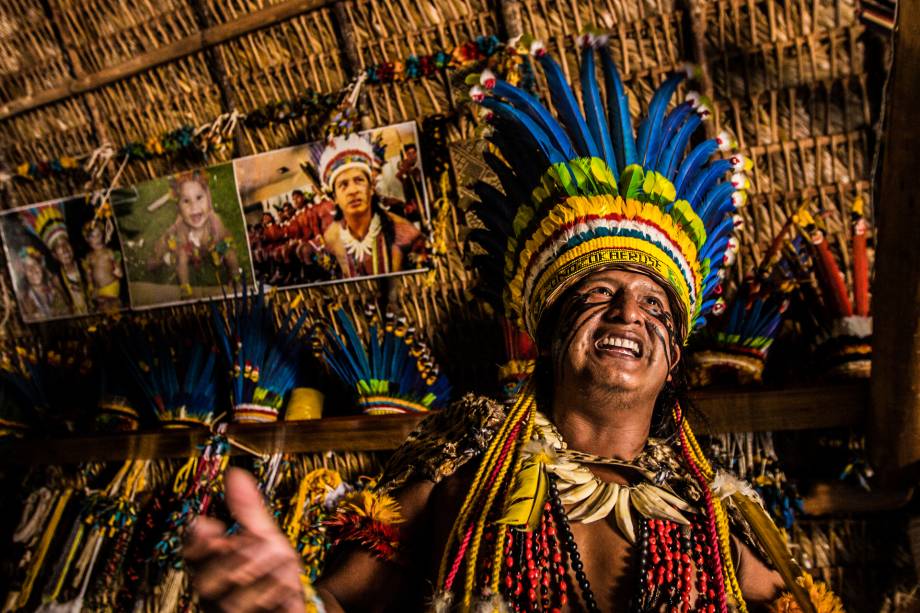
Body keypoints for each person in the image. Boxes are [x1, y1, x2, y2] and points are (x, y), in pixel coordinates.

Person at [183, 38, 842, 613]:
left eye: (656, 306)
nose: (628, 314)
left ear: (674, 356)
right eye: (601, 292)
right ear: (550, 330)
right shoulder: (458, 467)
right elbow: (338, 599)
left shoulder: (715, 514)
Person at [318, 133, 426, 278]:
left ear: (371, 188)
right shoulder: (331, 238)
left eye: (359, 180)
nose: (353, 190)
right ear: (334, 198)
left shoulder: (404, 231)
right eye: (343, 185)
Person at [148, 170, 240, 297]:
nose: (194, 206)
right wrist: (178, 246)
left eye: (199, 197)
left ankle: (235, 276)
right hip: (190, 251)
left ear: (209, 200)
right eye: (186, 201)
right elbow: (180, 244)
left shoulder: (214, 219)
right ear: (179, 208)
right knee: (180, 255)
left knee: (229, 251)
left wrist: (220, 246)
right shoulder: (181, 225)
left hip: (211, 246)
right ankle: (185, 286)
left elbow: (222, 236)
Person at [20, 203, 89, 314]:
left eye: (66, 244)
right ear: (54, 255)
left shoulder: (87, 266)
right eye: (58, 247)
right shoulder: (56, 281)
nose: (65, 250)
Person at [16, 246, 69, 320]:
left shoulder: (55, 291)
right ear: (24, 273)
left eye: (35, 264)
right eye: (27, 268)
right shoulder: (24, 300)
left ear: (41, 267)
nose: (33, 270)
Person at [81, 219, 123, 311]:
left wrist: (118, 270)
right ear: (87, 239)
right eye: (92, 236)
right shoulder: (89, 256)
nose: (96, 239)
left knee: (112, 306)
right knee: (99, 306)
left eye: (98, 235)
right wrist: (90, 284)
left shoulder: (108, 252)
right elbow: (88, 273)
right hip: (98, 289)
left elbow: (118, 263)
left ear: (103, 235)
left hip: (111, 286)